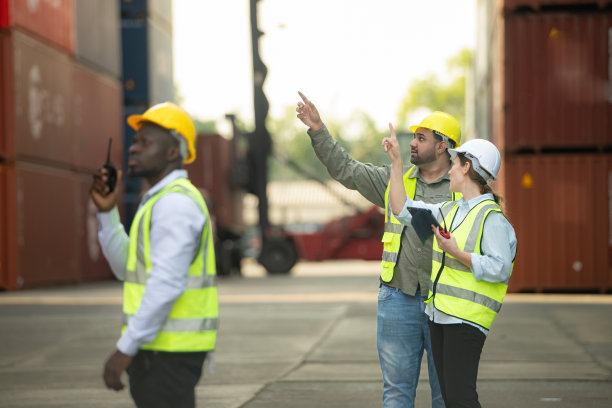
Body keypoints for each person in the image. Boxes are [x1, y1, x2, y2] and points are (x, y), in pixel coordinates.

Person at [297, 91, 461, 408]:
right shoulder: (393, 179)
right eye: (414, 137)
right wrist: (318, 129)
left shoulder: (464, 188)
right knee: (396, 395)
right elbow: (345, 169)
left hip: (447, 303)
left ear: (442, 146)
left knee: (448, 398)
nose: (412, 143)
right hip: (399, 299)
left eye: (421, 138)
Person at [90, 102, 218, 408]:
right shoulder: (157, 201)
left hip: (168, 353)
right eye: (134, 141)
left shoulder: (174, 205)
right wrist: (107, 215)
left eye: (145, 142)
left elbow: (166, 283)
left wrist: (126, 347)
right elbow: (127, 269)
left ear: (173, 152)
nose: (133, 149)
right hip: (159, 350)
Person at [383, 126, 517, 408]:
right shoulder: (450, 211)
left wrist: (456, 252)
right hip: (440, 317)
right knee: (451, 398)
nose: (451, 170)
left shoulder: (491, 218)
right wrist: (396, 163)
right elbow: (401, 209)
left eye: (455, 164)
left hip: (465, 321)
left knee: (460, 398)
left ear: (467, 167)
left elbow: (500, 268)